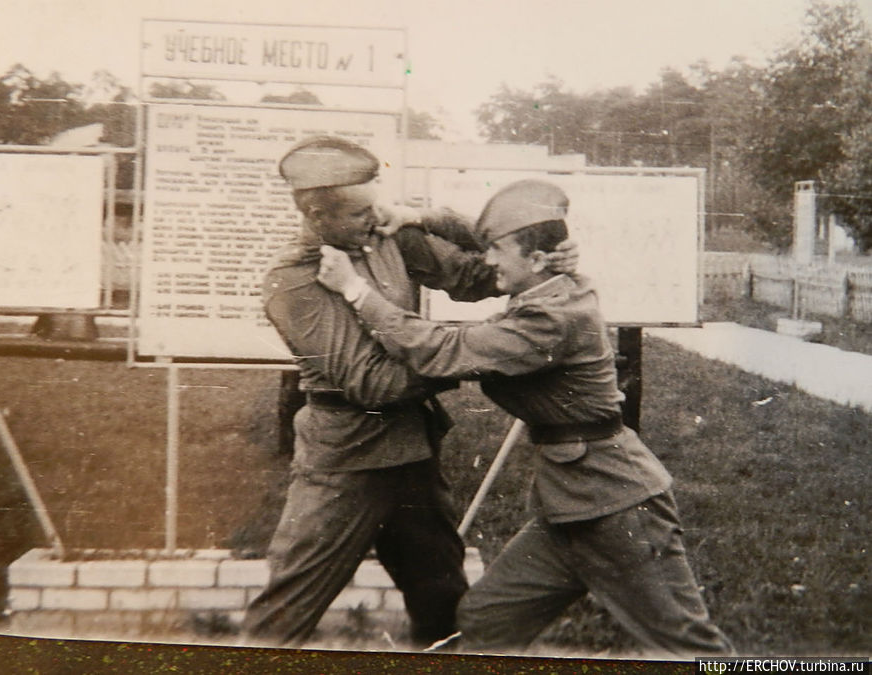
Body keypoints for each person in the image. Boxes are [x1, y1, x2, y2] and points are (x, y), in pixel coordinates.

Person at [316, 178, 736, 657]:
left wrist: (355, 289)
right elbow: (488, 240)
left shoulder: (549, 319)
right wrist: (418, 217)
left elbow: (441, 350)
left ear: (537, 261)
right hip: (568, 511)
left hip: (618, 511)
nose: (487, 259)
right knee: (484, 621)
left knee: (689, 650)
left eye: (497, 251)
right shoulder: (553, 288)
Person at [242, 137, 578, 647]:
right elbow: (374, 383)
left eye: (376, 204)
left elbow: (482, 274)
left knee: (443, 601)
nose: (374, 218)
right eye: (359, 213)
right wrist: (477, 356)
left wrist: (438, 221)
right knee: (286, 612)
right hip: (348, 460)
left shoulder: (386, 239)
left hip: (412, 453)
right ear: (315, 212)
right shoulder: (293, 283)